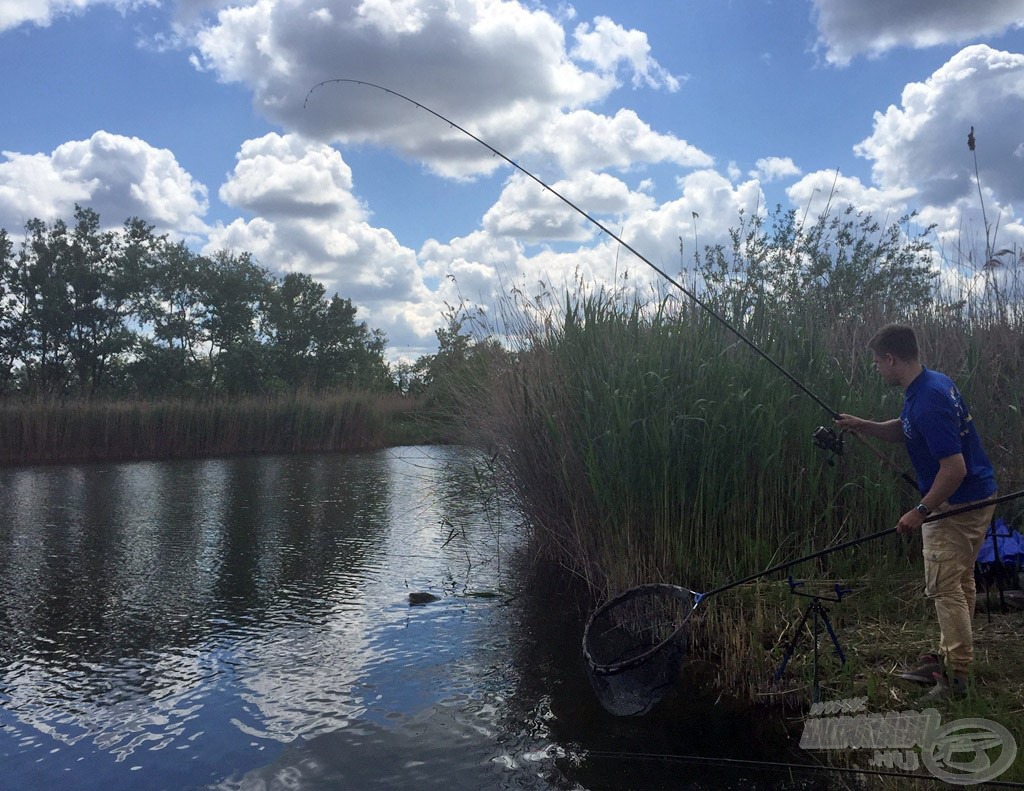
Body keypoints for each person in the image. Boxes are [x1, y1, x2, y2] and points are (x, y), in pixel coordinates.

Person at [835, 324, 997, 701]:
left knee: (945, 586)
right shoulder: (928, 385)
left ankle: (956, 678)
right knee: (960, 581)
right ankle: (951, 658)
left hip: (956, 503)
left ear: (891, 358)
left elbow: (953, 468)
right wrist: (864, 426)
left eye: (878, 362)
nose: (877, 369)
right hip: (973, 496)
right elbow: (906, 430)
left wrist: (921, 510)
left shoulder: (929, 400)